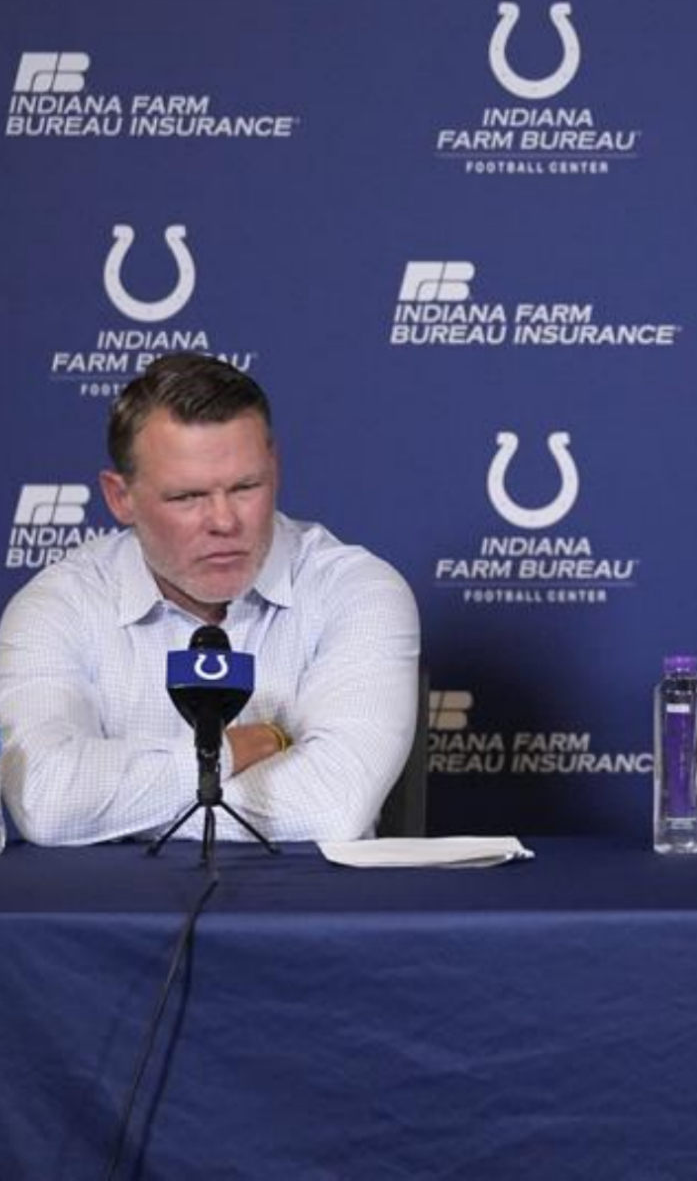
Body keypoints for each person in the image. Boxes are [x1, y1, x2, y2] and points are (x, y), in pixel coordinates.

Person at [0, 355, 420, 845]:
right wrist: (238, 750)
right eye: (187, 497)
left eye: (246, 486)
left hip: (307, 918)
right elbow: (46, 803)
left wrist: (117, 814)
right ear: (121, 498)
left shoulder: (357, 590)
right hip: (114, 919)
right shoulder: (59, 605)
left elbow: (331, 808)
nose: (223, 521)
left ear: (274, 469)